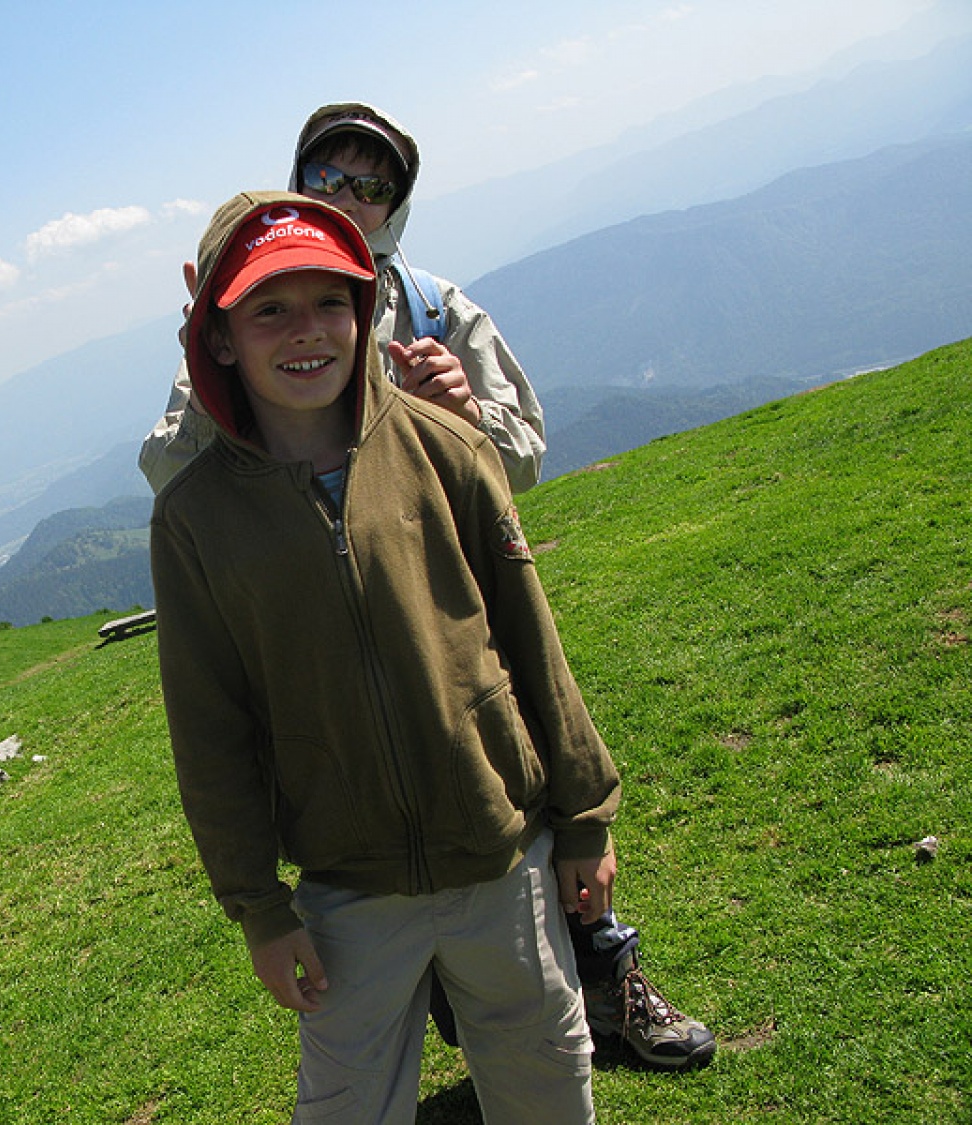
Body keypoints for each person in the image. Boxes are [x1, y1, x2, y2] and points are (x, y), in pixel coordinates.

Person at [139, 103, 715, 1072]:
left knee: (529, 901)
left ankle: (609, 991)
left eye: (374, 184)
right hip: (335, 729)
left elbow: (521, 451)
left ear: (397, 205)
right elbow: (175, 475)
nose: (351, 197)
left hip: (451, 630)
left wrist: (461, 412)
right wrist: (211, 344)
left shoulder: (441, 306)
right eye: (329, 177)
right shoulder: (244, 303)